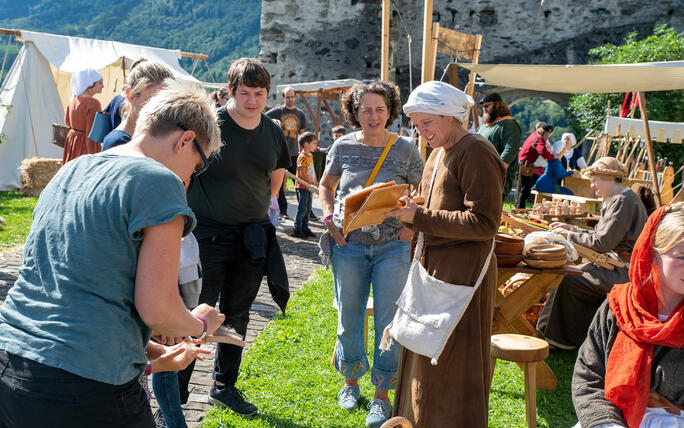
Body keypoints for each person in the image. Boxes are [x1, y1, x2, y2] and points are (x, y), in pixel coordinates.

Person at [0, 81, 225, 427]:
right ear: (186, 140)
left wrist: (150, 352)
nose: (188, 178)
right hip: (84, 383)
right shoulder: (158, 181)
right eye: (196, 167)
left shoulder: (73, 170)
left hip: (12, 358)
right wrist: (199, 323)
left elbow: (72, 286)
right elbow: (158, 309)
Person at [386, 81, 505, 428]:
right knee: (422, 351)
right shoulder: (438, 152)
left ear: (451, 116)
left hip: (463, 274)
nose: (421, 132)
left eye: (426, 123)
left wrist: (419, 217)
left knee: (450, 363)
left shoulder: (477, 151)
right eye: (416, 125)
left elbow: (484, 222)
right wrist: (406, 207)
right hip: (435, 267)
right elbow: (429, 199)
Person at [187, 58, 290, 417]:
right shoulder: (209, 123)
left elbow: (276, 178)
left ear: (267, 93)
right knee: (194, 313)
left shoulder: (274, 131)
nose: (252, 101)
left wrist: (255, 207)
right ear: (231, 91)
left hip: (251, 235)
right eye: (244, 93)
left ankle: (223, 385)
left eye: (259, 94)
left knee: (238, 313)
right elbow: (185, 171)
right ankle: (177, 394)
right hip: (205, 234)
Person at [318, 80, 423, 427]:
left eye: (379, 109)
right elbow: (326, 185)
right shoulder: (342, 146)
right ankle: (350, 383)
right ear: (355, 112)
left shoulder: (406, 149)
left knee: (388, 323)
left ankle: (382, 394)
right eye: (366, 109)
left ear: (390, 111)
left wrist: (412, 226)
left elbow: (423, 191)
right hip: (349, 245)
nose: (373, 116)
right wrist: (329, 219)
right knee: (349, 315)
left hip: (393, 246)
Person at [572, 202, 684, 428]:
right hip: (611, 419)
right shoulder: (619, 308)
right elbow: (588, 377)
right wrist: (606, 424)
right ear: (653, 255)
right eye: (682, 257)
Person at [536, 157, 648, 349]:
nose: (592, 185)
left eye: (595, 180)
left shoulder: (623, 201)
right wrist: (571, 229)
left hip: (625, 272)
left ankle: (555, 339)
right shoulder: (618, 199)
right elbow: (601, 235)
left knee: (568, 278)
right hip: (614, 265)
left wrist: (569, 235)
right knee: (571, 273)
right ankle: (554, 334)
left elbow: (602, 243)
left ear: (608, 177)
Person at [102, 60, 174, 150]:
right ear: (130, 95)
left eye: (165, 102)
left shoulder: (144, 139)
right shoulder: (119, 143)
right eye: (151, 101)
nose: (160, 109)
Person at [266, 86, 308, 219]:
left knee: (300, 183)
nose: (290, 99)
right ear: (283, 97)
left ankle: (306, 211)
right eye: (287, 97)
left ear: (295, 97)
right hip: (279, 153)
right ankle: (283, 210)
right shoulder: (276, 112)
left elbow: (302, 134)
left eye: (292, 96)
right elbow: (262, 119)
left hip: (294, 152)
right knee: (279, 184)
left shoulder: (300, 114)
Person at [477, 92, 522, 199]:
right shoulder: (484, 125)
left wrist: (495, 172)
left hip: (494, 181)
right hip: (479, 176)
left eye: (487, 106)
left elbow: (510, 150)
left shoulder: (508, 124)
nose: (484, 110)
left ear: (497, 105)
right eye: (483, 107)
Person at [62, 68, 104, 164]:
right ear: (90, 83)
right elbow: (91, 135)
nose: (103, 86)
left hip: (72, 141)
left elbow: (67, 122)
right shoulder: (93, 104)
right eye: (100, 83)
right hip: (84, 146)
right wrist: (93, 158)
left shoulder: (72, 99)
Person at [517, 122, 554, 208]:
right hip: (524, 165)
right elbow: (542, 151)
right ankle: (520, 208)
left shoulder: (535, 135)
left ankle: (519, 206)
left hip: (524, 164)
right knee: (525, 189)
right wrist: (552, 158)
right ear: (548, 132)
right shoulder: (539, 139)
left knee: (524, 188)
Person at [292, 132, 318, 239]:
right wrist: (311, 183)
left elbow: (312, 170)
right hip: (302, 187)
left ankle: (305, 228)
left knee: (307, 208)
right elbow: (302, 174)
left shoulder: (310, 156)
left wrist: (315, 181)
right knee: (302, 208)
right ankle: (296, 229)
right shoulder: (302, 157)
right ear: (306, 144)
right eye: (314, 143)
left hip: (309, 186)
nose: (315, 145)